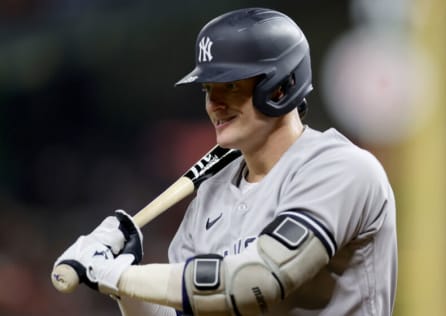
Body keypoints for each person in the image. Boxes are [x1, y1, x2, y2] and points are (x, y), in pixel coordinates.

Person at [54, 7, 398, 316]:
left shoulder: (341, 169)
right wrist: (120, 280)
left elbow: (257, 280)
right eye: (207, 88)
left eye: (230, 85)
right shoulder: (211, 193)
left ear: (280, 87)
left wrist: (122, 276)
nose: (213, 104)